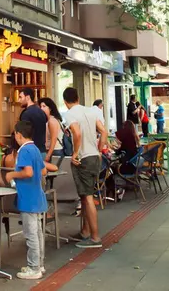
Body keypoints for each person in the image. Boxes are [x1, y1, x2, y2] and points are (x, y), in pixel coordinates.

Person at [63, 87, 108, 248]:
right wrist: (100, 150)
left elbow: (77, 133)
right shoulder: (91, 111)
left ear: (65, 101)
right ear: (78, 98)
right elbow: (103, 132)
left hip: (83, 159)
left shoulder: (70, 114)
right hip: (94, 156)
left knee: (88, 197)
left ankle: (95, 237)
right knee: (85, 195)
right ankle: (85, 231)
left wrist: (75, 153)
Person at [9, 120, 48, 280]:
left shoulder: (24, 151)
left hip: (28, 198)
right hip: (37, 196)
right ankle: (39, 263)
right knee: (38, 233)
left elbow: (29, 172)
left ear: (18, 135)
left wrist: (12, 175)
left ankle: (34, 268)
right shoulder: (36, 149)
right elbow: (43, 171)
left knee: (30, 234)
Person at [17, 87, 48, 152]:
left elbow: (23, 135)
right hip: (42, 150)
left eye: (20, 97)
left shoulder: (26, 114)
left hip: (31, 151)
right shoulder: (41, 112)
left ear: (27, 97)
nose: (18, 100)